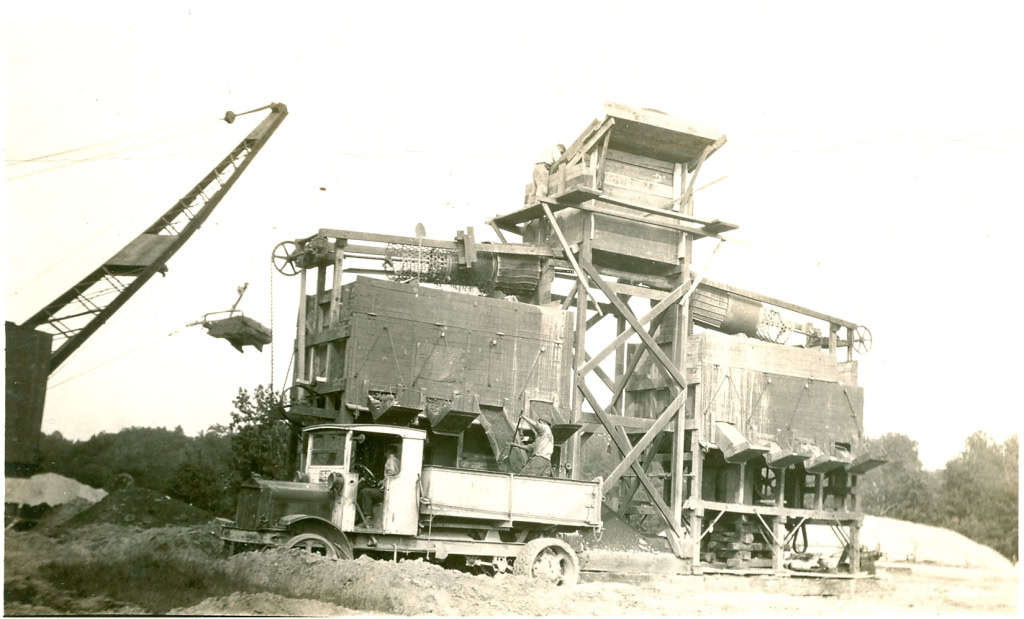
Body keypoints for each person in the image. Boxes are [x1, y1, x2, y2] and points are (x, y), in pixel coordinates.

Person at [357, 447, 401, 527]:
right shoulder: (396, 460)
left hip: (388, 491)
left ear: (387, 452)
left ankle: (368, 520)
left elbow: (391, 475)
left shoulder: (390, 460)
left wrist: (383, 482)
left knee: (365, 492)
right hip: (390, 489)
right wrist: (382, 481)